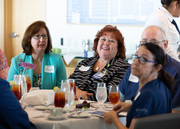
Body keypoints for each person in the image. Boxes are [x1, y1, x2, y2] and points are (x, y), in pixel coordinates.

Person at [104, 43, 173, 129]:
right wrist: (131, 107)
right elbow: (152, 113)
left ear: (156, 68)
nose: (136, 62)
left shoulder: (147, 95)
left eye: (143, 59)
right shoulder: (161, 86)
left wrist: (114, 119)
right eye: (136, 56)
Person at [118, 25, 180, 113]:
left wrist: (136, 109)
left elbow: (176, 114)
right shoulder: (135, 66)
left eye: (153, 43)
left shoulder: (176, 72)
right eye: (144, 43)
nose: (147, 48)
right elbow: (119, 99)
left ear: (165, 44)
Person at [69, 25, 130, 100]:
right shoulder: (85, 63)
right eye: (103, 39)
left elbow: (109, 95)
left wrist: (79, 94)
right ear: (97, 43)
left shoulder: (123, 67)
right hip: (75, 107)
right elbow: (68, 84)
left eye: (111, 41)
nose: (106, 43)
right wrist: (76, 92)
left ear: (118, 48)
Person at [7, 21, 67, 89]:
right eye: (37, 36)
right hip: (24, 99)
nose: (42, 40)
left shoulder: (56, 60)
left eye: (44, 36)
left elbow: (63, 87)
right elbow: (9, 89)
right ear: (29, 39)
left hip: (50, 99)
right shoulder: (17, 61)